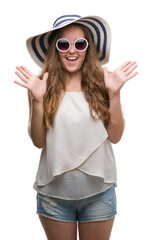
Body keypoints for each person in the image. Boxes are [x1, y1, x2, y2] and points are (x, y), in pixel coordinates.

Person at [14, 15, 138, 240]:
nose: (72, 51)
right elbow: (38, 141)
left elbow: (115, 136)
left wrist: (114, 93)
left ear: (87, 49)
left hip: (99, 195)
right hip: (54, 198)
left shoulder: (104, 81)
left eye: (80, 44)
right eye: (64, 44)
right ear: (56, 49)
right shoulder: (40, 84)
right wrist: (38, 100)